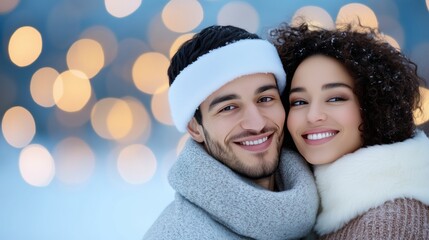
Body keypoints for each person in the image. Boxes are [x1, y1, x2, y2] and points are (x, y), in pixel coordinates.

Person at [143, 25, 319, 240]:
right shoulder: (178, 234)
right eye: (228, 108)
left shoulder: (328, 204)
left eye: (265, 99)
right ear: (194, 127)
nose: (256, 124)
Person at [269, 22, 429, 239]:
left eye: (336, 98)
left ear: (373, 106)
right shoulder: (314, 215)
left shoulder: (392, 224)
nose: (313, 115)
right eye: (299, 102)